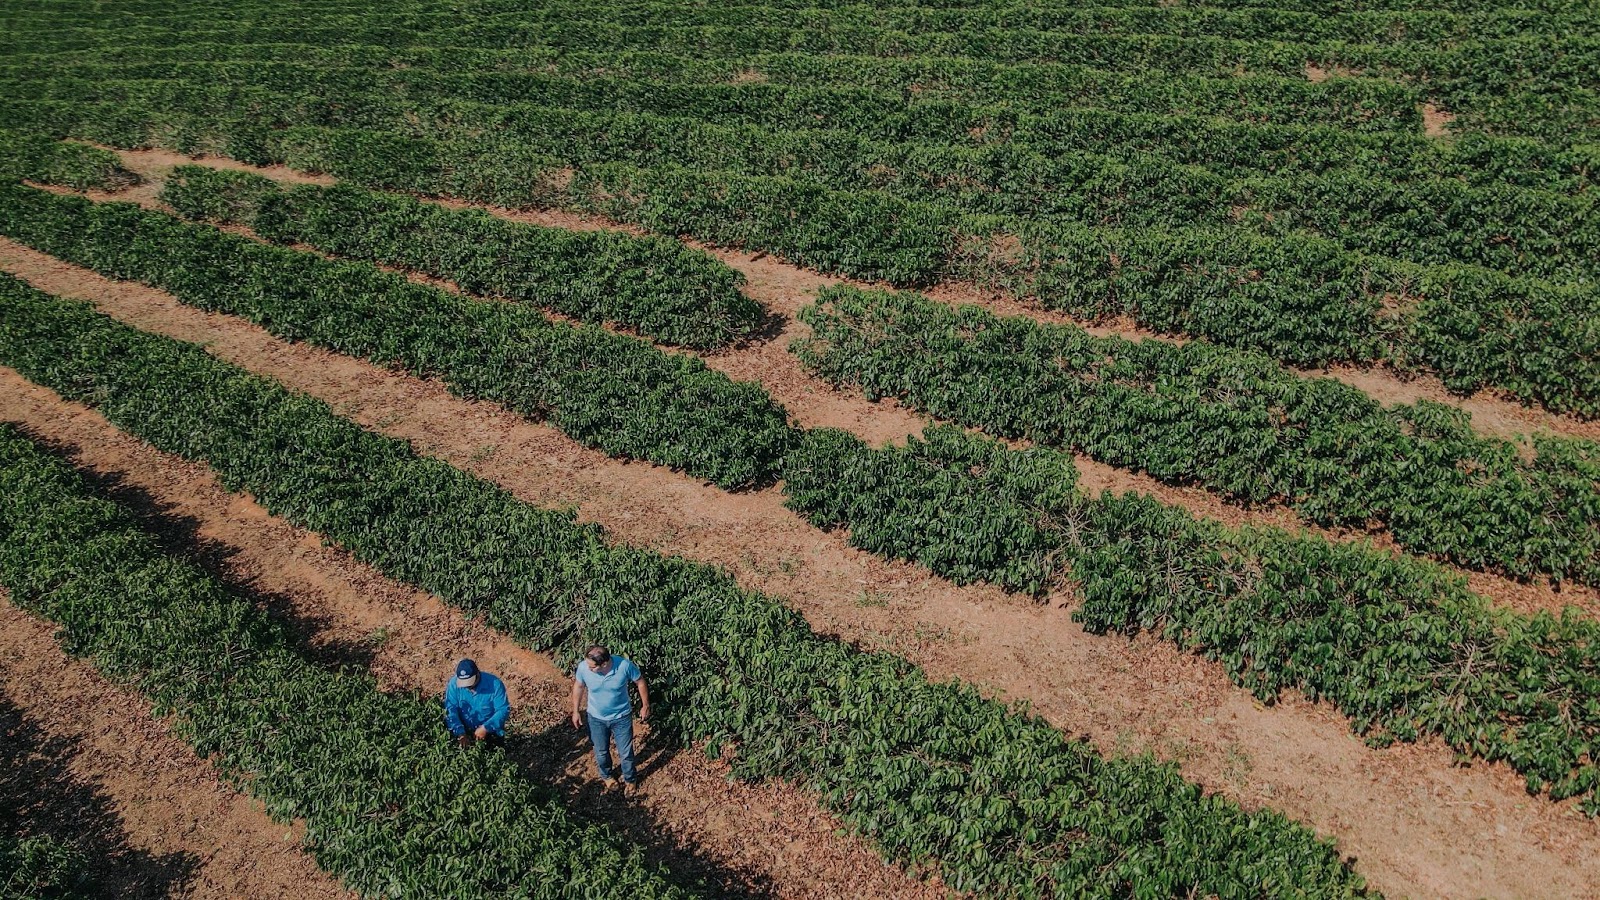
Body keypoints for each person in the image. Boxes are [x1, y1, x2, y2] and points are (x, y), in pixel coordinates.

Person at [571, 645, 649, 795]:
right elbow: (579, 686)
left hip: (621, 718)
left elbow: (640, 682)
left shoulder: (624, 666)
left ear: (604, 664)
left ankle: (630, 780)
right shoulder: (583, 668)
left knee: (626, 753)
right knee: (600, 751)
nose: (588, 668)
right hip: (596, 718)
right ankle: (607, 776)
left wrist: (645, 705)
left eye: (592, 666)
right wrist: (575, 711)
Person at [445, 658, 510, 748]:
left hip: (491, 731)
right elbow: (451, 709)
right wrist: (460, 732)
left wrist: (485, 728)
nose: (467, 686)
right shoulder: (453, 684)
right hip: (465, 730)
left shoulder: (495, 684)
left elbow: (503, 710)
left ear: (478, 674)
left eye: (469, 682)